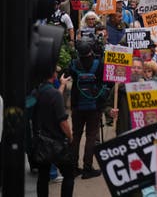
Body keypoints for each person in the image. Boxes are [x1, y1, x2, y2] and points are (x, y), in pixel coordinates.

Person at [69, 37, 107, 179]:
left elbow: (69, 74)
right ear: (91, 49)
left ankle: (73, 168)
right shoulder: (98, 63)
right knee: (91, 136)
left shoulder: (73, 64)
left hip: (77, 104)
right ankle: (87, 168)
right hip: (94, 105)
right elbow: (104, 81)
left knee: (76, 135)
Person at [33, 69, 75, 197]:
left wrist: (62, 85)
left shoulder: (37, 92)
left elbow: (54, 100)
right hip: (57, 143)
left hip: (41, 141)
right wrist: (70, 136)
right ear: (53, 74)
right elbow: (63, 122)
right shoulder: (54, 94)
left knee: (43, 176)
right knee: (69, 175)